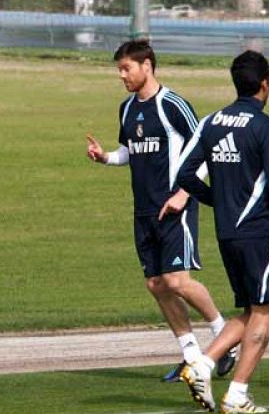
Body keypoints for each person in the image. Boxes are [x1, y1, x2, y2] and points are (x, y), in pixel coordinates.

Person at [175, 50, 269, 414]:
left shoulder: (211, 122)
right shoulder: (268, 126)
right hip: (259, 232)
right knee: (266, 310)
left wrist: (219, 200)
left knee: (250, 309)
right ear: (265, 84)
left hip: (227, 233)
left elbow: (182, 174)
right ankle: (234, 390)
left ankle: (204, 365)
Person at [86, 39, 236, 382]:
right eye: (119, 70)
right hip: (144, 211)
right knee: (156, 284)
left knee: (177, 281)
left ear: (147, 66)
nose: (122, 75)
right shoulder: (126, 109)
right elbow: (128, 151)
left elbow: (206, 153)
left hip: (174, 207)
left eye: (127, 68)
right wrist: (106, 157)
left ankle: (225, 338)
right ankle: (191, 354)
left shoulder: (174, 105)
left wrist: (184, 193)